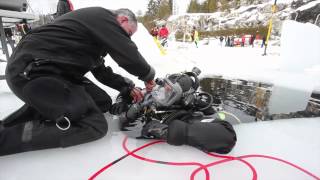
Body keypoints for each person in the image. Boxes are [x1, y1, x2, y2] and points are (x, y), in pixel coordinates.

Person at [1, 7, 156, 156]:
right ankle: (5, 139)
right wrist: (148, 76)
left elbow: (101, 71)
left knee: (102, 102)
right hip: (30, 73)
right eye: (128, 33)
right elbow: (125, 51)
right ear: (122, 19)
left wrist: (126, 87)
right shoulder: (103, 17)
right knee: (94, 125)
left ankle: (45, 106)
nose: (126, 38)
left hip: (55, 73)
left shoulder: (91, 33)